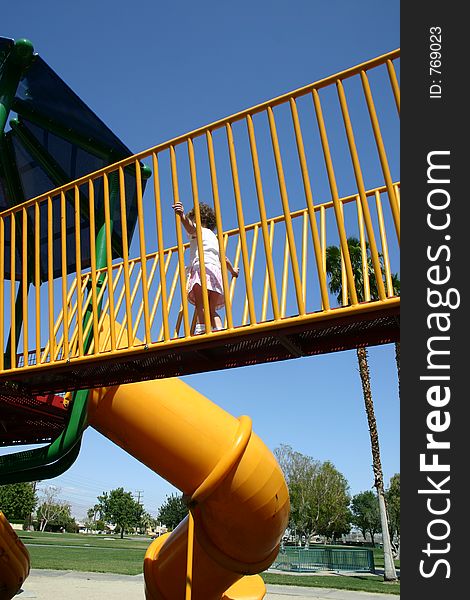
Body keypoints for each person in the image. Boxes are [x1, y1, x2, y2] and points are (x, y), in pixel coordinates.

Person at [172, 201, 239, 334]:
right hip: (216, 273)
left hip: (201, 269)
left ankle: (201, 330)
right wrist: (233, 271)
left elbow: (191, 228)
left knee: (201, 305)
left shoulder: (199, 231)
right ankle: (220, 330)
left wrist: (182, 216)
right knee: (211, 309)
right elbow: (223, 259)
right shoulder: (213, 237)